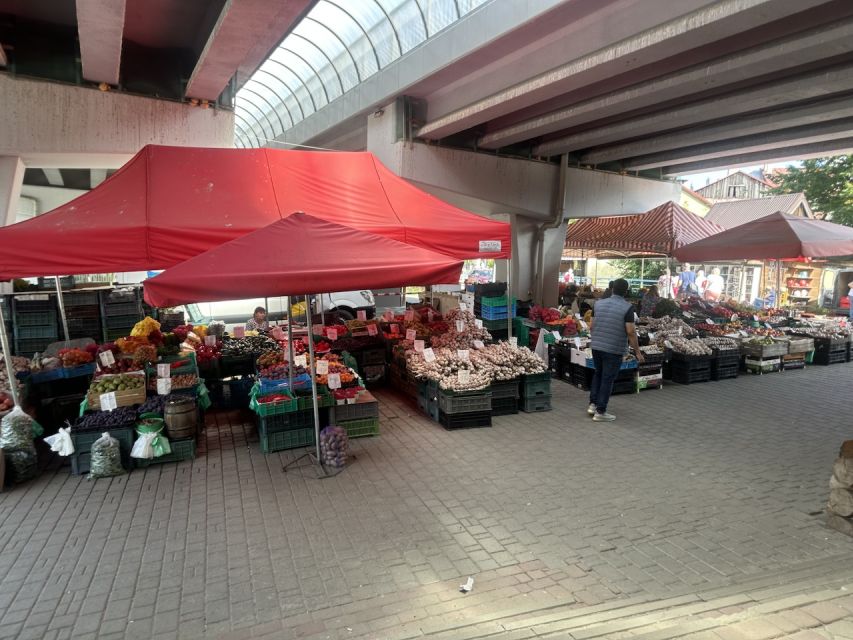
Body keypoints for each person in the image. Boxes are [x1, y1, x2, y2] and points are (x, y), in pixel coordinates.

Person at [587, 278, 643, 422]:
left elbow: (591, 326)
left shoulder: (598, 304)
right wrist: (637, 351)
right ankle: (601, 411)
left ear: (612, 289)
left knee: (598, 374)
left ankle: (593, 404)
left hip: (597, 346)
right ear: (626, 292)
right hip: (613, 348)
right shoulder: (627, 307)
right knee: (607, 378)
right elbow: (630, 331)